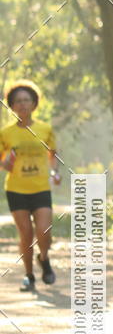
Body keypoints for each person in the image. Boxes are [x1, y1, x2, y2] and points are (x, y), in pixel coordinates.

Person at [0, 81, 60, 292]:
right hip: (16, 189)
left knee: (44, 232)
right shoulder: (6, 133)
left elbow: (53, 156)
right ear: (12, 106)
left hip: (41, 187)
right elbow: (2, 161)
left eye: (26, 100)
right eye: (18, 101)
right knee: (25, 234)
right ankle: (28, 275)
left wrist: (55, 172)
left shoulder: (45, 129)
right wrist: (6, 164)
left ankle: (43, 258)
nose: (23, 104)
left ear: (34, 103)